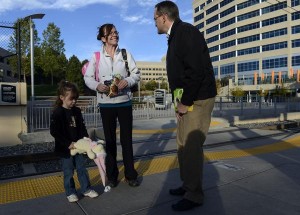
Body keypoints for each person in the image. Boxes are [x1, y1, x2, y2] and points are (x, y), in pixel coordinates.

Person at [154, 1, 217, 212]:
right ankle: (188, 185)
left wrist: (185, 102)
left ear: (164, 17)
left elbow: (196, 71)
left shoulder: (185, 33)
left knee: (190, 147)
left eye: (155, 19)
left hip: (196, 100)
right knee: (182, 144)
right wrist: (179, 102)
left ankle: (194, 195)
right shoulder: (176, 35)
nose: (154, 23)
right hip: (186, 101)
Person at [84, 24, 140, 187]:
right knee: (109, 141)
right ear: (103, 38)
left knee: (126, 140)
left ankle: (131, 175)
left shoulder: (125, 53)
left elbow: (136, 74)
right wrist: (97, 86)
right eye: (111, 33)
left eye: (116, 32)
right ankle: (112, 176)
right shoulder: (96, 57)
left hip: (124, 103)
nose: (115, 35)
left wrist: (127, 81)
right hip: (106, 104)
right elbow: (87, 78)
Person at [50, 80, 99, 203]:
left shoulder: (76, 111)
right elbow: (55, 132)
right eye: (71, 99)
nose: (74, 101)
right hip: (66, 149)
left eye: (75, 99)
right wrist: (68, 144)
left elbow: (81, 126)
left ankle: (86, 189)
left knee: (82, 168)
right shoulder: (58, 112)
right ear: (62, 97)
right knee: (68, 171)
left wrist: (86, 138)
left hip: (80, 146)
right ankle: (70, 192)